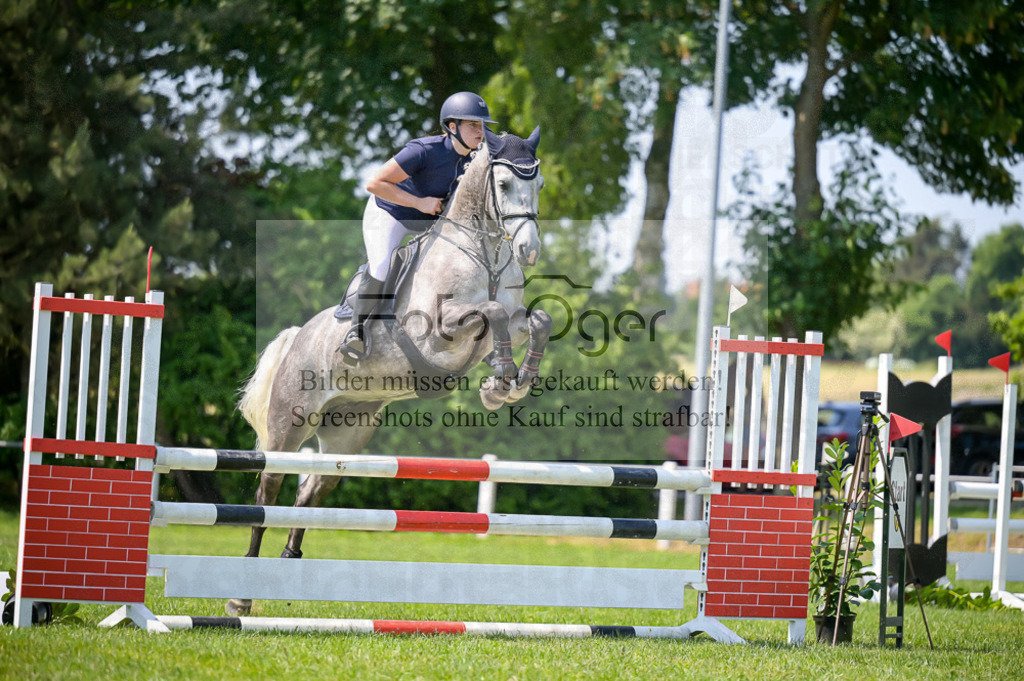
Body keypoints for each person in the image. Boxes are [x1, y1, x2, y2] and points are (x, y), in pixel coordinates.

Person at [337, 91, 497, 364]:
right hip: (391, 213)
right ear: (451, 126)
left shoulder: (475, 160)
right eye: (473, 125)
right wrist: (419, 202)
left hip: (429, 221)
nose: (480, 131)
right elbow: (375, 183)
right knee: (381, 266)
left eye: (482, 125)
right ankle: (357, 331)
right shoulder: (424, 150)